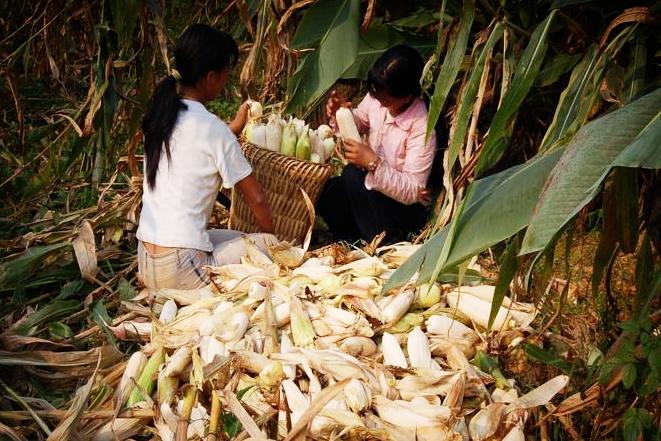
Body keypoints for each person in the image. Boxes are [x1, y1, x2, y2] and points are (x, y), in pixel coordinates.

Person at [136, 24, 276, 290]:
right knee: (266, 245)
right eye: (226, 74)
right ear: (211, 77)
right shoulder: (211, 128)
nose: (226, 80)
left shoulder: (161, 118)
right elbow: (256, 198)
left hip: (147, 261)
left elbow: (197, 141)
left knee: (238, 237)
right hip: (181, 270)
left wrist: (234, 126)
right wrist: (273, 241)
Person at [317, 44, 437, 244]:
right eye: (376, 96)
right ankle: (351, 240)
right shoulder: (378, 95)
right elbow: (362, 120)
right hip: (370, 187)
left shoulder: (422, 128)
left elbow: (413, 191)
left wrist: (373, 163)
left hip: (401, 207)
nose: (379, 102)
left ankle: (381, 241)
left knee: (352, 175)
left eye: (385, 100)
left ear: (407, 97)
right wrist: (342, 115)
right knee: (329, 191)